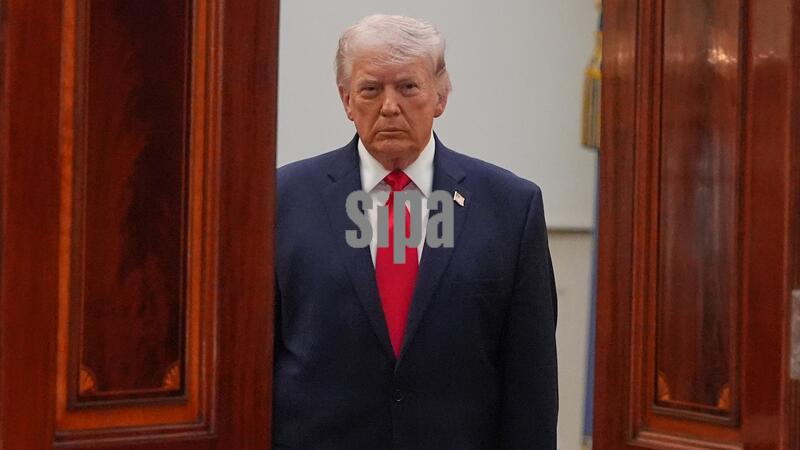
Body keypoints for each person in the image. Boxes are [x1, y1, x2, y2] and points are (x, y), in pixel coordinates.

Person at [273, 14, 558, 449]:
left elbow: (531, 380)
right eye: (371, 89)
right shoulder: (283, 200)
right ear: (346, 100)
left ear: (441, 95)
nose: (390, 106)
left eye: (408, 87)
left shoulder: (510, 207)